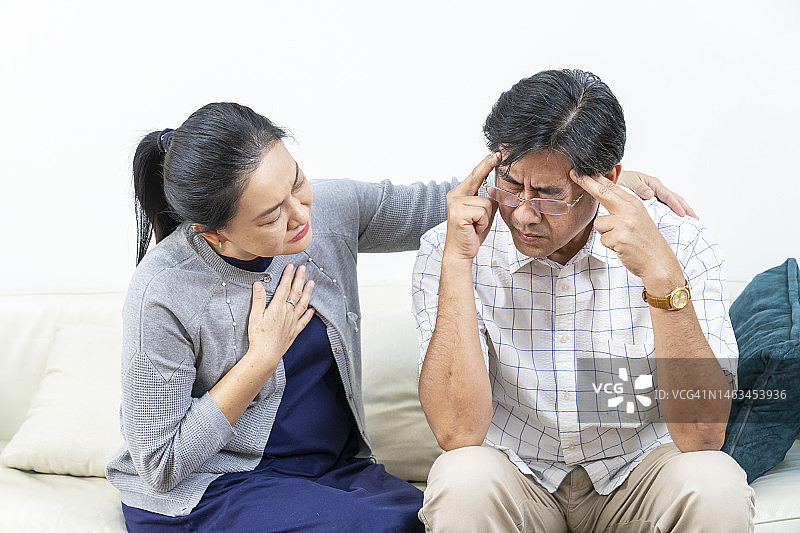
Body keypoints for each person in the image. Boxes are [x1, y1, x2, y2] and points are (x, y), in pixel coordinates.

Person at [106, 101, 690, 532]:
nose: (299, 215)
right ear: (210, 229)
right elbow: (159, 463)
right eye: (269, 217)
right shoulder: (162, 289)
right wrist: (259, 360)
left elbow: (448, 200)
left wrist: (582, 189)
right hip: (210, 488)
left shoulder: (325, 211)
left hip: (331, 471)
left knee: (439, 517)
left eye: (298, 184)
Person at [412, 69, 755, 532]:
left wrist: (662, 275)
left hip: (638, 474)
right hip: (520, 473)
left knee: (715, 484)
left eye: (550, 195)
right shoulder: (452, 245)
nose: (524, 214)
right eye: (511, 185)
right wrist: (457, 263)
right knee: (462, 479)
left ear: (607, 180)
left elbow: (702, 435)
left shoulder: (679, 241)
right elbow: (458, 433)